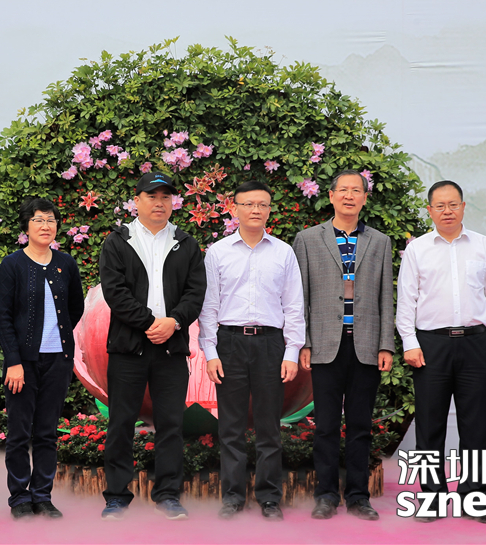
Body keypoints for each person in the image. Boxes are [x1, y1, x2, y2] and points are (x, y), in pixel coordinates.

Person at [395, 180, 486, 525]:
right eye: (440, 206)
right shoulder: (417, 249)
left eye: (453, 204)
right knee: (429, 426)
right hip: (431, 345)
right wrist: (410, 342)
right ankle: (431, 498)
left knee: (475, 426)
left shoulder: (483, 245)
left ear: (463, 207)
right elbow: (406, 301)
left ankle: (475, 498)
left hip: (475, 343)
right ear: (429, 210)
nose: (447, 211)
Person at [97, 172, 206, 521]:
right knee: (121, 423)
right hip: (128, 348)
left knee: (171, 424)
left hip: (171, 348)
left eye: (165, 197)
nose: (159, 203)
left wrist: (173, 322)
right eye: (152, 196)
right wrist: (148, 323)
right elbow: (115, 293)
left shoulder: (186, 243)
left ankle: (168, 495)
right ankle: (116, 496)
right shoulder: (118, 241)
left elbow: (195, 293)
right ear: (137, 200)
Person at [198, 180, 305, 521]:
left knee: (269, 426)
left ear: (269, 210)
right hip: (229, 342)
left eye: (262, 204)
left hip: (270, 344)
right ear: (235, 209)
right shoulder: (218, 252)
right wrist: (210, 352)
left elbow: (294, 305)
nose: (255, 210)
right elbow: (209, 306)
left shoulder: (283, 252)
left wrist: (291, 352)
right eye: (248, 204)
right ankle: (232, 497)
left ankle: (269, 498)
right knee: (230, 426)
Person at [292, 170, 395, 521]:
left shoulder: (380, 242)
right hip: (324, 344)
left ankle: (358, 497)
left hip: (365, 344)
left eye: (356, 190)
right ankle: (325, 495)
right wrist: (303, 343)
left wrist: (385, 344)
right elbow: (299, 297)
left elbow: (385, 296)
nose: (350, 196)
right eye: (343, 190)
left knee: (361, 425)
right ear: (331, 196)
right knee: (325, 425)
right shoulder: (308, 239)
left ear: (365, 198)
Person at [0, 197, 85, 519]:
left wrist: (60, 342)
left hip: (58, 360)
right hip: (23, 364)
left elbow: (75, 309)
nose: (45, 226)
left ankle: (42, 496)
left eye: (50, 220)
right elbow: (2, 316)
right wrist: (14, 361)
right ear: (26, 226)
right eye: (38, 220)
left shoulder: (66, 264)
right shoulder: (12, 264)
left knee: (47, 432)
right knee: (19, 433)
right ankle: (20, 497)